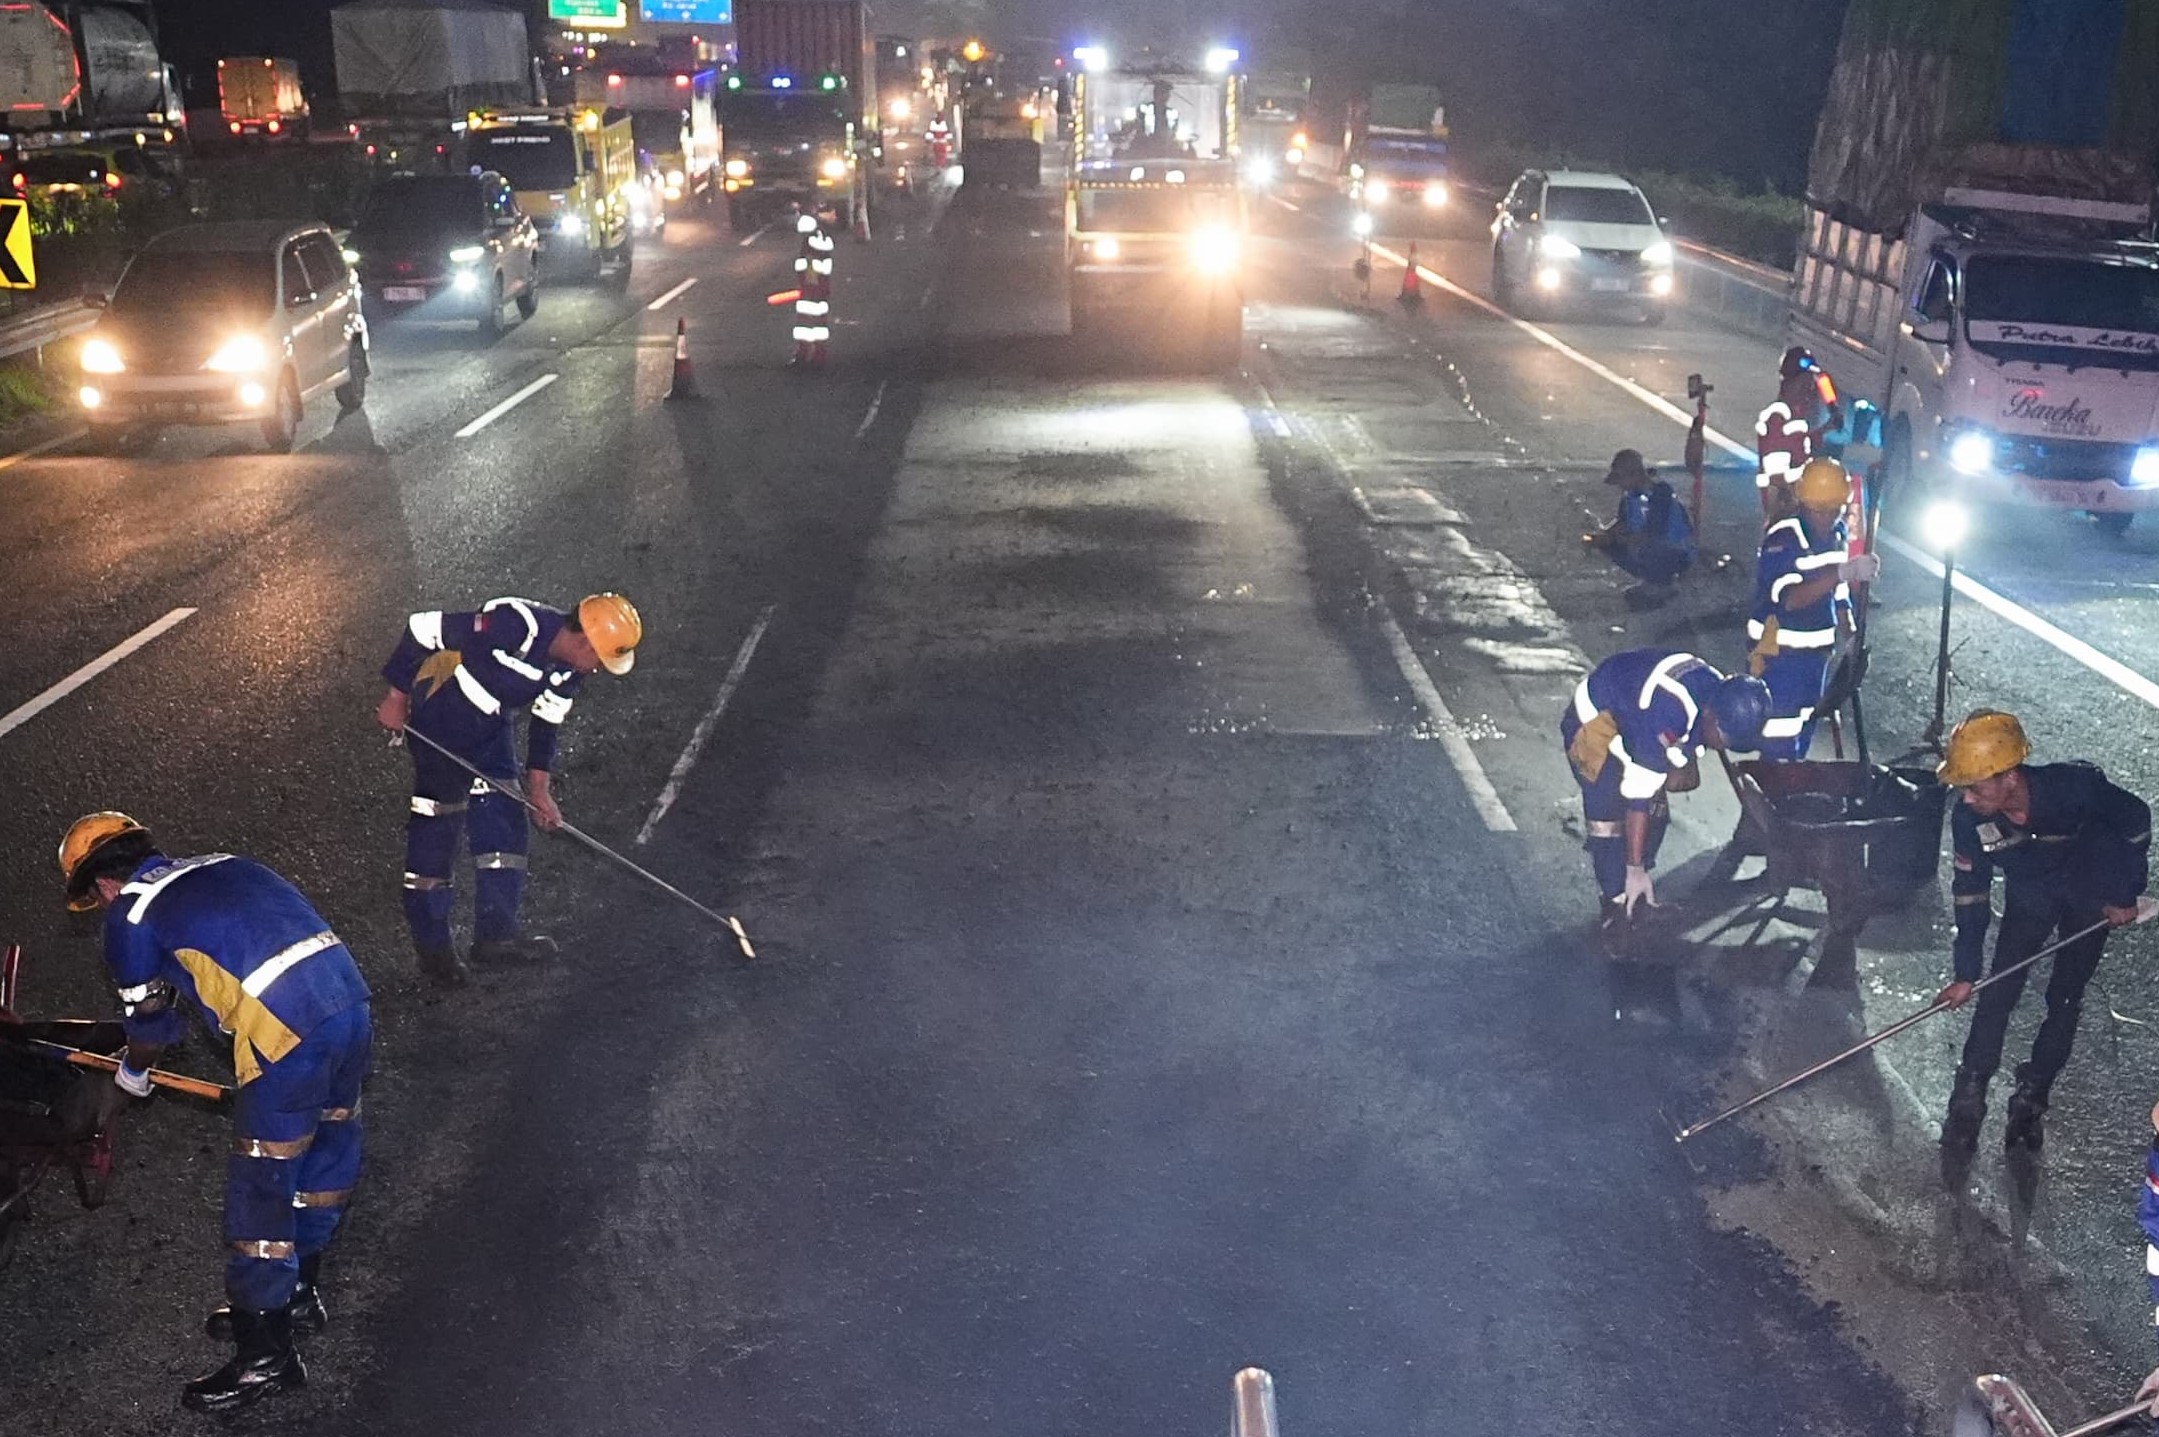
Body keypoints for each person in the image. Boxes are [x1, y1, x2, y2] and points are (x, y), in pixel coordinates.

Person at [58, 812, 373, 1414]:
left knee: (261, 1190)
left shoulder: (130, 913)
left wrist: (132, 1073)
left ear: (100, 886)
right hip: (350, 1005)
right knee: (326, 1157)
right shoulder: (223, 862)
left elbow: (151, 1023)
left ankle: (265, 1360)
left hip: (286, 1034)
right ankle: (299, 1295)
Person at [375, 594, 643, 985]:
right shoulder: (515, 625)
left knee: (504, 820)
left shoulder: (571, 669)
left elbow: (547, 720)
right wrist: (396, 698)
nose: (600, 668)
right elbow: (421, 628)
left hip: (492, 727)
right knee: (438, 830)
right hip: (443, 720)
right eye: (601, 659)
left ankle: (496, 937)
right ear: (585, 642)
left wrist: (540, 792)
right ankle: (434, 952)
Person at [1934, 710, 2151, 1173]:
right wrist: (1965, 972)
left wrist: (2123, 894)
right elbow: (1970, 894)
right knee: (1997, 991)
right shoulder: (1969, 820)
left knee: (2065, 998)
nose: (1967, 797)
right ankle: (1968, 1096)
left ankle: (2031, 1100)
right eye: (1963, 787)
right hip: (2030, 897)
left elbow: (2135, 821)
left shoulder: (2075, 789)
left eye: (1976, 786)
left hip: (2088, 896)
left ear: (2010, 777)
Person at [1561, 649, 1771, 941]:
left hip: (1636, 724)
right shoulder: (1669, 709)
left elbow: (1689, 744)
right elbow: (1638, 797)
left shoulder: (1718, 696)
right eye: (1724, 739)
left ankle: (1638, 895)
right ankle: (1616, 906)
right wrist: (1633, 868)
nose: (1723, 747)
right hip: (1596, 724)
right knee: (1608, 815)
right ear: (1712, 715)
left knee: (1656, 813)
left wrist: (1683, 759)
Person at [1746, 456, 1879, 759]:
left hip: (1815, 658)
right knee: (1780, 737)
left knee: (1805, 723)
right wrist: (1842, 572)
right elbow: (1790, 599)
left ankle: (1791, 793)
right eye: (1822, 510)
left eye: (1836, 509)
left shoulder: (1837, 533)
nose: (1830, 517)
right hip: (1779, 659)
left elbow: (1838, 591)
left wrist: (1849, 630)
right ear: (1805, 503)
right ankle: (1771, 797)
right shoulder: (1785, 538)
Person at [1755, 347, 1846, 516]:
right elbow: (1777, 478)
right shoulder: (1778, 417)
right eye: (1805, 382)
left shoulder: (1795, 416)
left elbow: (1798, 445)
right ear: (1791, 382)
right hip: (1784, 509)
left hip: (1798, 503)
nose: (1810, 389)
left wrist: (1826, 429)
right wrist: (1796, 502)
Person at [1587, 448, 1694, 588]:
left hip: (1676, 550)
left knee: (1647, 548)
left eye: (1622, 479)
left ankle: (1664, 584)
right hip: (1649, 543)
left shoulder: (1660, 492)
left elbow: (1654, 532)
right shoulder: (1629, 496)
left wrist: (1625, 539)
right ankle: (1648, 578)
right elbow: (1622, 521)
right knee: (1610, 544)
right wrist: (1604, 536)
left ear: (1635, 475)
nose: (1620, 486)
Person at [791, 209, 835, 369]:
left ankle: (804, 354)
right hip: (820, 289)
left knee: (805, 324)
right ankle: (819, 354)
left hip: (811, 289)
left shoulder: (810, 245)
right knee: (819, 324)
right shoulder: (821, 241)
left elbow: (808, 268)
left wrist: (805, 286)